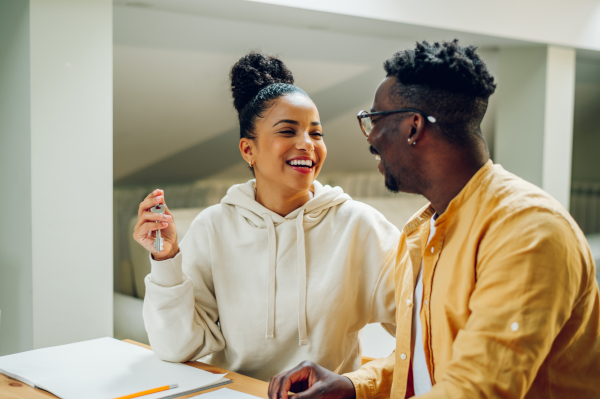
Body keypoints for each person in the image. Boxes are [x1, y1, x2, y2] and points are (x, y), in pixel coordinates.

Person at [268, 40, 600, 399]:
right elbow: (430, 361)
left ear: (413, 128)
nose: (371, 138)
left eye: (374, 120)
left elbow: (478, 387)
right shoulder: (423, 230)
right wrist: (353, 385)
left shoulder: (528, 230)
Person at [134, 52, 400, 382]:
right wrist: (165, 258)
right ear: (249, 150)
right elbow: (175, 347)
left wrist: (361, 382)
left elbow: (421, 328)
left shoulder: (360, 225)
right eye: (288, 131)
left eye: (316, 133)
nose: (307, 145)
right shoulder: (213, 228)